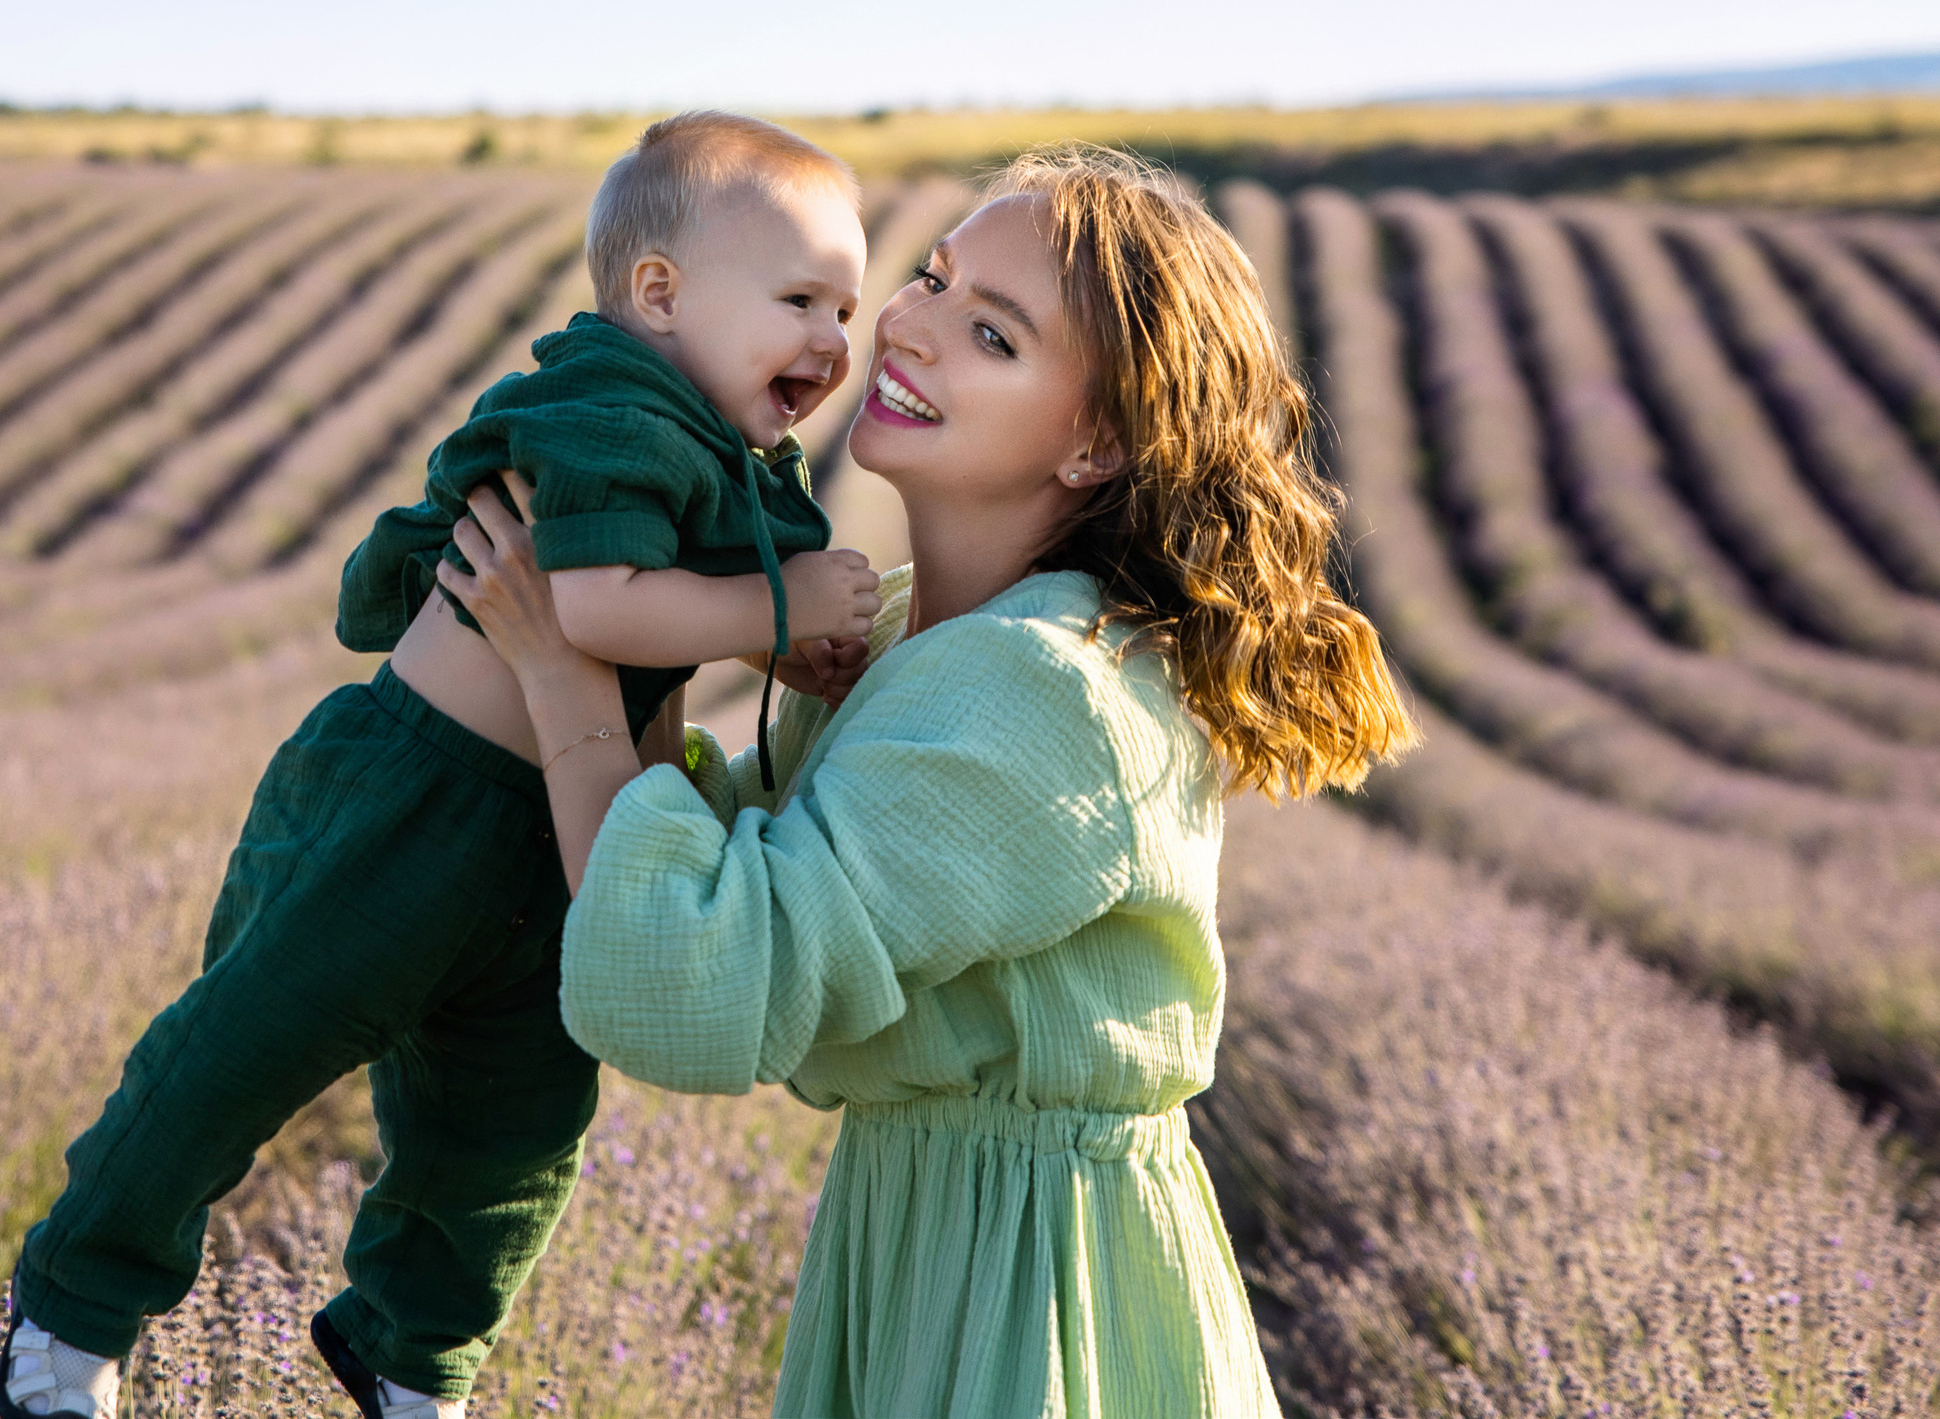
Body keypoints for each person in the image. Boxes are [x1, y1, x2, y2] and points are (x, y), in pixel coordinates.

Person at [435, 147, 1419, 1418]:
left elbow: (681, 969)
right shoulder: (915, 636)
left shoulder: (1037, 689)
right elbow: (694, 859)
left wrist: (563, 673)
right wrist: (644, 601)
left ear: (1096, 447)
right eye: (932, 276)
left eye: (993, 335)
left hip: (1030, 1290)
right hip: (932, 1242)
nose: (907, 325)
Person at [0, 113, 885, 1419]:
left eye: (847, 308)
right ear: (659, 293)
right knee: (235, 1056)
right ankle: (71, 1314)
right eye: (801, 297)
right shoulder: (601, 405)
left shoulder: (736, 459)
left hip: (564, 836)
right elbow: (591, 607)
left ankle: (413, 1359)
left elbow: (669, 617)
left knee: (509, 1133)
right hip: (410, 803)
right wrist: (781, 601)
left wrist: (781, 633)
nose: (831, 339)